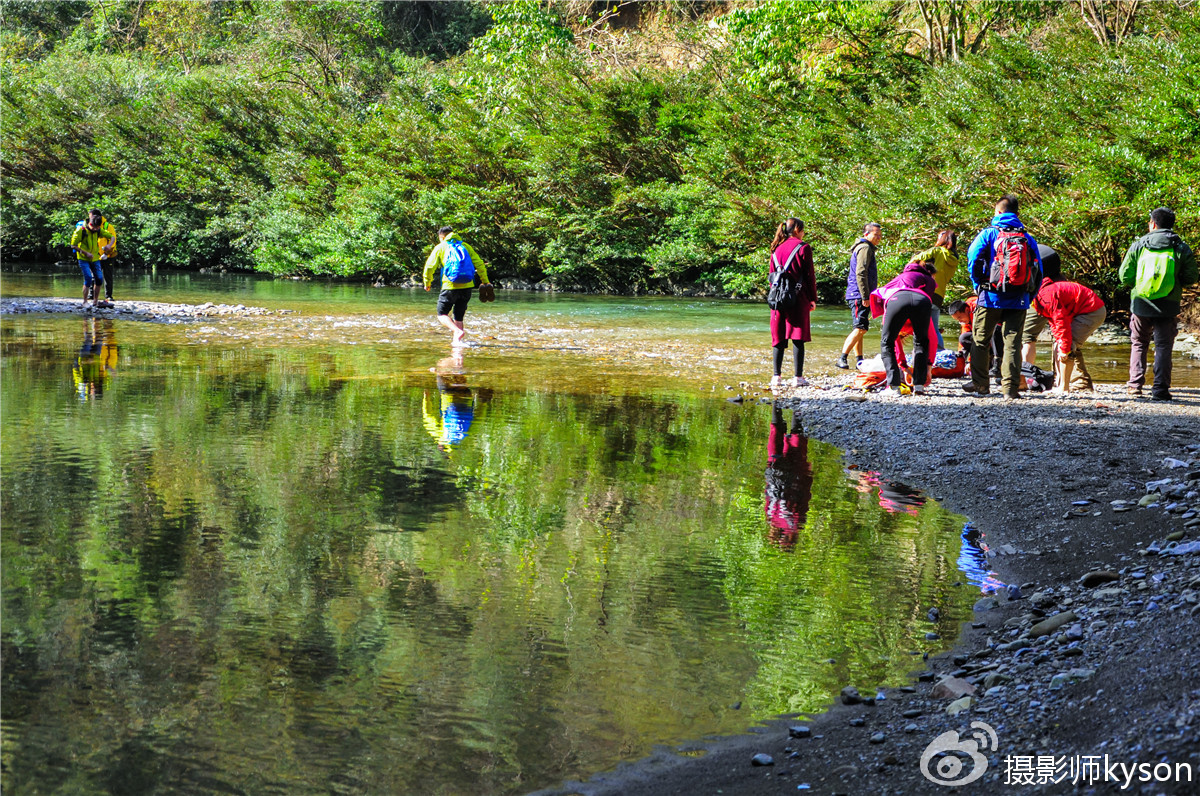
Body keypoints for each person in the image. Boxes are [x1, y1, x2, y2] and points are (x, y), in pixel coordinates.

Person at [964, 194, 1042, 399]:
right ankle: (1010, 389)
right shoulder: (1027, 238)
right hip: (1018, 299)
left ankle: (981, 385)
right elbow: (1038, 271)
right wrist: (1029, 296)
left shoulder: (989, 234)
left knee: (981, 341)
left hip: (990, 296)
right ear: (1017, 214)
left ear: (998, 211)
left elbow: (973, 258)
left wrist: (977, 284)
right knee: (1013, 343)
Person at [1118, 206, 1198, 401]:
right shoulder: (1180, 247)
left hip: (1141, 302)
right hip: (1168, 304)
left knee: (1139, 343)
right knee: (1163, 346)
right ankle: (1160, 390)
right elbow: (1191, 277)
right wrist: (1174, 283)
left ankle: (1135, 386)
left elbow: (1124, 275)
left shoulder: (1139, 245)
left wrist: (1139, 284)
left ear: (1153, 224)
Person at [873, 260, 938, 397]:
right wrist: (928, 368)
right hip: (922, 300)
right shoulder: (929, 281)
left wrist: (903, 365)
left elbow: (893, 341)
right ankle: (919, 386)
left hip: (897, 299)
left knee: (887, 342)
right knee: (921, 341)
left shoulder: (899, 278)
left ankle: (893, 387)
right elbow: (932, 338)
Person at [1030, 276, 1107, 392]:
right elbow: (1054, 322)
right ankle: (1063, 383)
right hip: (1081, 310)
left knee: (1068, 347)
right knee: (1060, 344)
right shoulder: (1039, 296)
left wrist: (1064, 348)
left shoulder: (1046, 297)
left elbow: (1061, 322)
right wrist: (1059, 340)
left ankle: (1064, 387)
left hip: (1092, 310)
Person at [767, 218, 817, 388]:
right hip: (798, 296)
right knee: (797, 336)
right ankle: (798, 377)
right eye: (802, 230)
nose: (804, 233)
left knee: (778, 336)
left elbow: (771, 276)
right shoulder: (803, 247)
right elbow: (810, 276)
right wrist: (812, 298)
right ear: (796, 229)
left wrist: (776, 295)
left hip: (777, 298)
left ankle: (776, 377)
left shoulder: (776, 247)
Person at [423, 226, 491, 346]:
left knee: (441, 314)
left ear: (442, 237)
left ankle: (457, 331)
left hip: (450, 286)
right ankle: (458, 343)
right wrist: (485, 281)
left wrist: (427, 282)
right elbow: (479, 264)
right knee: (459, 315)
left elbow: (429, 267)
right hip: (467, 286)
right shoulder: (466, 246)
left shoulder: (441, 247)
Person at [764, 403, 813, 551]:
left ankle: (794, 404)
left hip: (792, 475)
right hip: (778, 473)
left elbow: (805, 498)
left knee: (794, 438)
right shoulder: (773, 520)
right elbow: (768, 495)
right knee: (779, 437)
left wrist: (808, 476)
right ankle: (779, 402)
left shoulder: (794, 523)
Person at [837, 222, 882, 369]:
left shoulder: (865, 247)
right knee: (861, 328)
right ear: (866, 234)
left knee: (860, 328)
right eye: (876, 235)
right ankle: (842, 358)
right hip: (858, 294)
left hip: (856, 293)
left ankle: (859, 360)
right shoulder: (865, 248)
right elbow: (861, 273)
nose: (878, 238)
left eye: (880, 235)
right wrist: (865, 296)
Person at [913, 229, 959, 350]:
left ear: (943, 239)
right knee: (934, 329)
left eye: (939, 238)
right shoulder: (954, 258)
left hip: (927, 292)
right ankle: (939, 353)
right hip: (939, 295)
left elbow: (916, 259)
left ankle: (920, 355)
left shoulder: (937, 251)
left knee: (920, 327)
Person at [1022, 244, 1061, 365]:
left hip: (1041, 294)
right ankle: (1061, 375)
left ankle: (1025, 374)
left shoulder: (1022, 253)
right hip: (1059, 289)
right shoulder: (1040, 250)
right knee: (1061, 336)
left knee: (1027, 336)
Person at [70, 209, 115, 309]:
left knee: (99, 279)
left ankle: (95, 301)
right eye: (94, 227)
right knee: (88, 278)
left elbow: (112, 237)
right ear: (90, 224)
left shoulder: (98, 230)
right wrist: (85, 253)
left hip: (95, 258)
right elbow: (73, 245)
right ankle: (85, 302)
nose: (96, 229)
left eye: (98, 228)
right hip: (83, 259)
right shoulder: (81, 230)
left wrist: (109, 246)